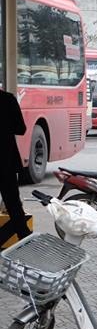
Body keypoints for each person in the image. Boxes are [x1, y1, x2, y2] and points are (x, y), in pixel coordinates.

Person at [0, 89, 30, 240]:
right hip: (6, 162)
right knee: (13, 204)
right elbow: (21, 129)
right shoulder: (7, 99)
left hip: (6, 162)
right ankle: (24, 239)